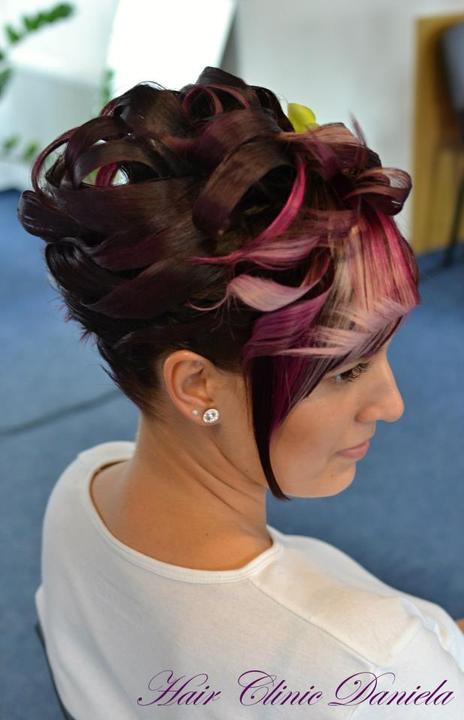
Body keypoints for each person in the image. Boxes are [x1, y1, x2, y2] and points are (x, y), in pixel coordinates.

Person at [18, 66, 464, 719]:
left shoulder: (81, 488)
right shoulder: (365, 663)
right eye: (345, 371)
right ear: (196, 383)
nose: (392, 405)